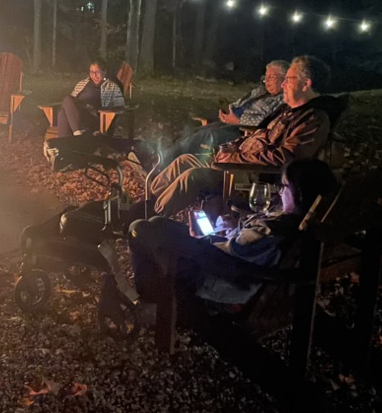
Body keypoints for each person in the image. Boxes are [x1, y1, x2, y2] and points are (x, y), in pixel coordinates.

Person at [128, 158, 338, 316]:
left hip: (220, 279)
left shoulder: (273, 230)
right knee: (157, 224)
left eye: (284, 187)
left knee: (140, 229)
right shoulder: (294, 223)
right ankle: (152, 284)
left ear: (299, 194)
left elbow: (228, 255)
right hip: (232, 266)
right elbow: (247, 248)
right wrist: (235, 228)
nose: (279, 192)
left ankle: (150, 292)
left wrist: (204, 240)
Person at [136, 55, 337, 219]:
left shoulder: (314, 120)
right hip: (237, 163)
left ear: (306, 84)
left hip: (251, 176)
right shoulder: (288, 111)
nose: (283, 84)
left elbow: (286, 159)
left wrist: (234, 158)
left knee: (192, 176)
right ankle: (147, 204)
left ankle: (152, 216)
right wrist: (229, 149)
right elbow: (258, 136)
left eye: (289, 79)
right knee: (183, 161)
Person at [144, 60, 288, 168]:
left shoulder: (282, 100)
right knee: (192, 129)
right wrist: (227, 111)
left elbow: (266, 123)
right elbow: (238, 104)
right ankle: (159, 155)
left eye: (272, 77)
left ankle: (158, 163)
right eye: (265, 77)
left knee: (206, 136)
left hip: (245, 133)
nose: (266, 81)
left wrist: (237, 120)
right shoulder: (260, 92)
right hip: (231, 123)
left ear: (284, 79)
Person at [56, 57, 125, 137]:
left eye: (97, 72)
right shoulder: (82, 84)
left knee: (65, 106)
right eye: (92, 72)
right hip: (78, 117)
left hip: (95, 119)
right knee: (64, 108)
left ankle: (72, 138)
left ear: (104, 72)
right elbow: (70, 105)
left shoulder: (112, 87)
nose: (94, 75)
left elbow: (120, 107)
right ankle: (72, 138)